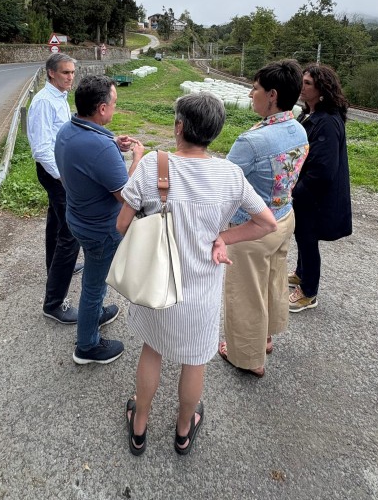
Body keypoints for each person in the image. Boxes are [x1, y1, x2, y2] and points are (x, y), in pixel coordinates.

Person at [117, 93, 277, 456]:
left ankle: (139, 426)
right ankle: (183, 430)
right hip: (201, 291)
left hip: (156, 285)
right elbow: (266, 223)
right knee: (194, 361)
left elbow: (121, 225)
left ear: (179, 127)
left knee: (152, 350)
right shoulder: (230, 175)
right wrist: (223, 238)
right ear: (215, 132)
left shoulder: (152, 165)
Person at [219, 60, 309, 377]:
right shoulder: (299, 129)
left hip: (252, 229)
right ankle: (266, 337)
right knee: (272, 281)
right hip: (284, 217)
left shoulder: (252, 141)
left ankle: (248, 358)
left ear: (272, 95)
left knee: (245, 293)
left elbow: (223, 183)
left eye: (255, 88)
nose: (250, 93)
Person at [55, 75, 144, 365]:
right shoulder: (100, 147)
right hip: (100, 229)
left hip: (77, 217)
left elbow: (86, 157)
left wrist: (114, 143)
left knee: (95, 278)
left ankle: (94, 314)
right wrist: (137, 159)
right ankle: (87, 346)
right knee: (94, 286)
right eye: (114, 103)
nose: (115, 107)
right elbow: (126, 196)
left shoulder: (68, 130)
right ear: (102, 109)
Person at [289, 64, 352, 312]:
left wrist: (297, 192)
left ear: (322, 89)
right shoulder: (311, 114)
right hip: (307, 193)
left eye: (307, 83)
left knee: (307, 239)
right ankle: (300, 274)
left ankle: (308, 292)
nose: (302, 87)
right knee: (301, 234)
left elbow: (323, 169)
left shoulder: (326, 121)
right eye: (302, 82)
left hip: (315, 196)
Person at [27, 53, 83, 325]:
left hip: (59, 170)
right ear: (51, 73)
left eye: (72, 72)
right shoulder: (43, 102)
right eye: (65, 73)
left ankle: (56, 267)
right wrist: (63, 178)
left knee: (57, 221)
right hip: (55, 172)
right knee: (71, 233)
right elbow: (41, 149)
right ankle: (54, 303)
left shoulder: (59, 97)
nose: (70, 77)